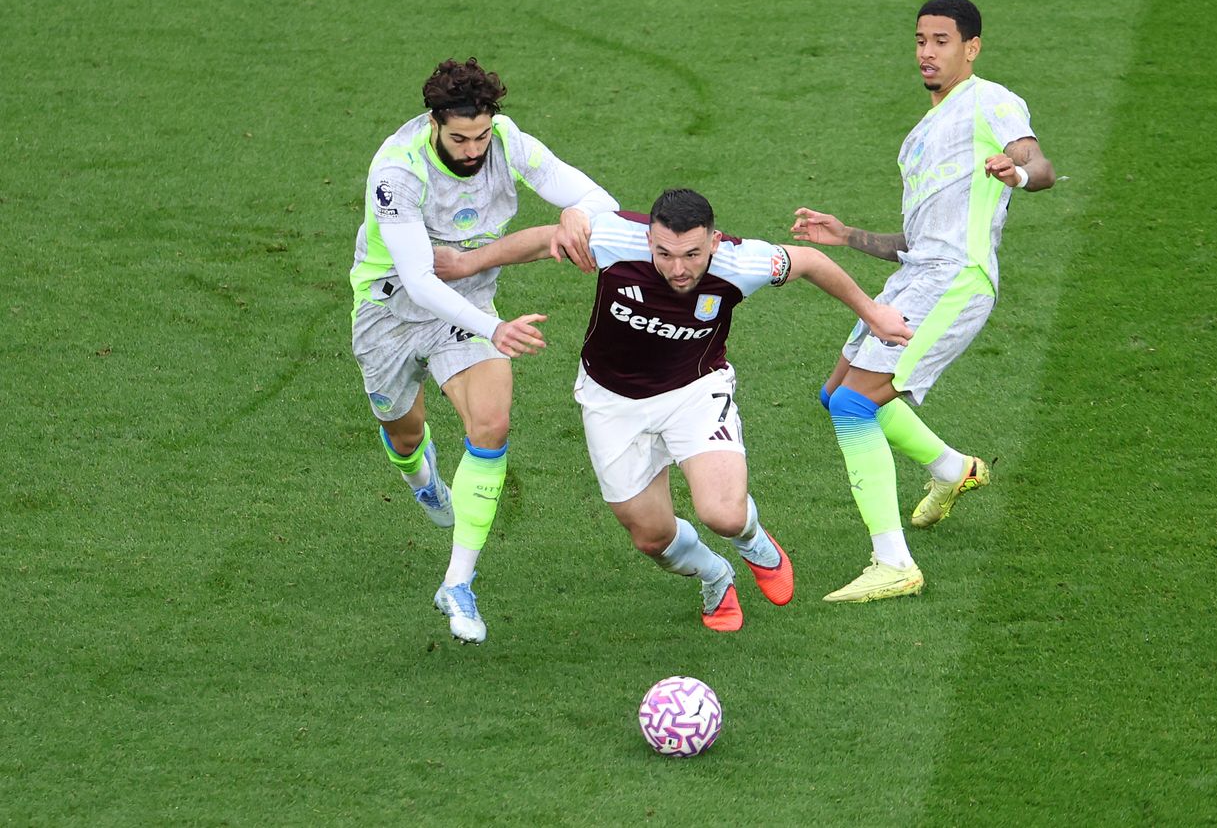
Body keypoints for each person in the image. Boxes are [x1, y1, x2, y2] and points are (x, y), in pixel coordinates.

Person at [435, 189, 913, 631]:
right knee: (651, 538)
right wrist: (464, 263)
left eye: (692, 255)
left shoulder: (742, 262)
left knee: (724, 515)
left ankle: (752, 541)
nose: (678, 269)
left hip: (694, 392)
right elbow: (544, 240)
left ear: (714, 242)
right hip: (610, 402)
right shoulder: (614, 238)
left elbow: (809, 260)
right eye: (664, 254)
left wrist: (873, 313)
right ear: (648, 239)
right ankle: (714, 574)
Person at [791, 0, 1056, 604]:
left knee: (854, 405)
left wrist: (1017, 174)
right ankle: (952, 470)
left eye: (941, 41)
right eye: (920, 41)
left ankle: (893, 564)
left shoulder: (991, 101)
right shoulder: (918, 137)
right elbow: (916, 240)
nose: (927, 53)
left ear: (971, 48)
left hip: (956, 281)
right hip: (918, 275)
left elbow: (1039, 166)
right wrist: (845, 235)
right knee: (835, 393)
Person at [349, 57, 619, 643]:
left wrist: (576, 212)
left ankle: (458, 583)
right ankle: (420, 476)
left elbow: (598, 197)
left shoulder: (507, 140)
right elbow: (420, 280)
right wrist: (493, 329)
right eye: (459, 139)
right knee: (404, 434)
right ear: (434, 123)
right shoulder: (396, 173)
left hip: (468, 305)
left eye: (481, 136)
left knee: (491, 424)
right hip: (390, 312)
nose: (473, 151)